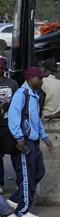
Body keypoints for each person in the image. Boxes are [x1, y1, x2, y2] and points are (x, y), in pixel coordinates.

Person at [6, 66, 53, 217]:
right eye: (39, 78)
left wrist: (45, 137)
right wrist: (19, 138)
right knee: (26, 177)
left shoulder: (34, 95)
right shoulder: (22, 94)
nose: (42, 81)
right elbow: (13, 117)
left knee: (39, 172)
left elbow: (36, 120)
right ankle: (22, 210)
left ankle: (14, 199)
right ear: (30, 79)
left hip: (34, 141)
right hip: (24, 142)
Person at [0, 57, 19, 191]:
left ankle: (20, 181)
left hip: (9, 124)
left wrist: (10, 106)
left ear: (4, 69)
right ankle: (0, 183)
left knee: (15, 154)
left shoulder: (12, 83)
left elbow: (19, 101)